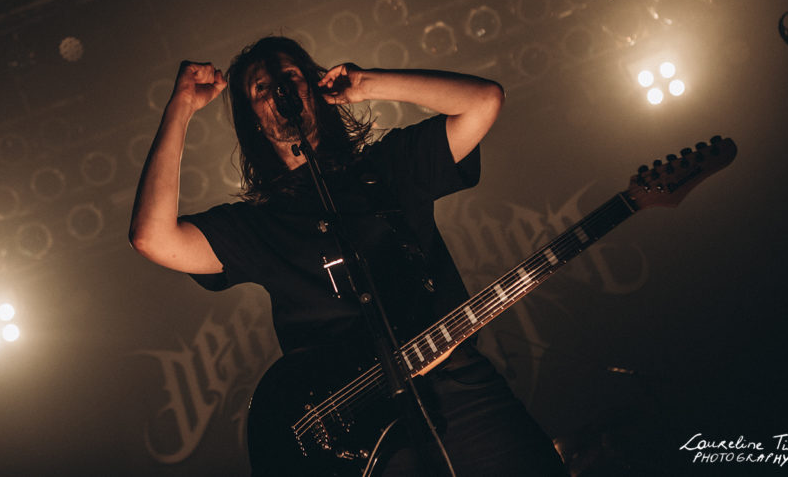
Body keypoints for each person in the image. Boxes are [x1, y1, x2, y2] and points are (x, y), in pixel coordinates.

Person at [129, 36, 566, 476]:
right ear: (253, 121)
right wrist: (181, 106)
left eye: (290, 76)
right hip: (362, 437)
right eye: (262, 89)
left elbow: (484, 101)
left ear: (313, 87)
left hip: (463, 393)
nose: (280, 89)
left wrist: (368, 84)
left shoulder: (389, 167)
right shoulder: (258, 225)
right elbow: (152, 237)